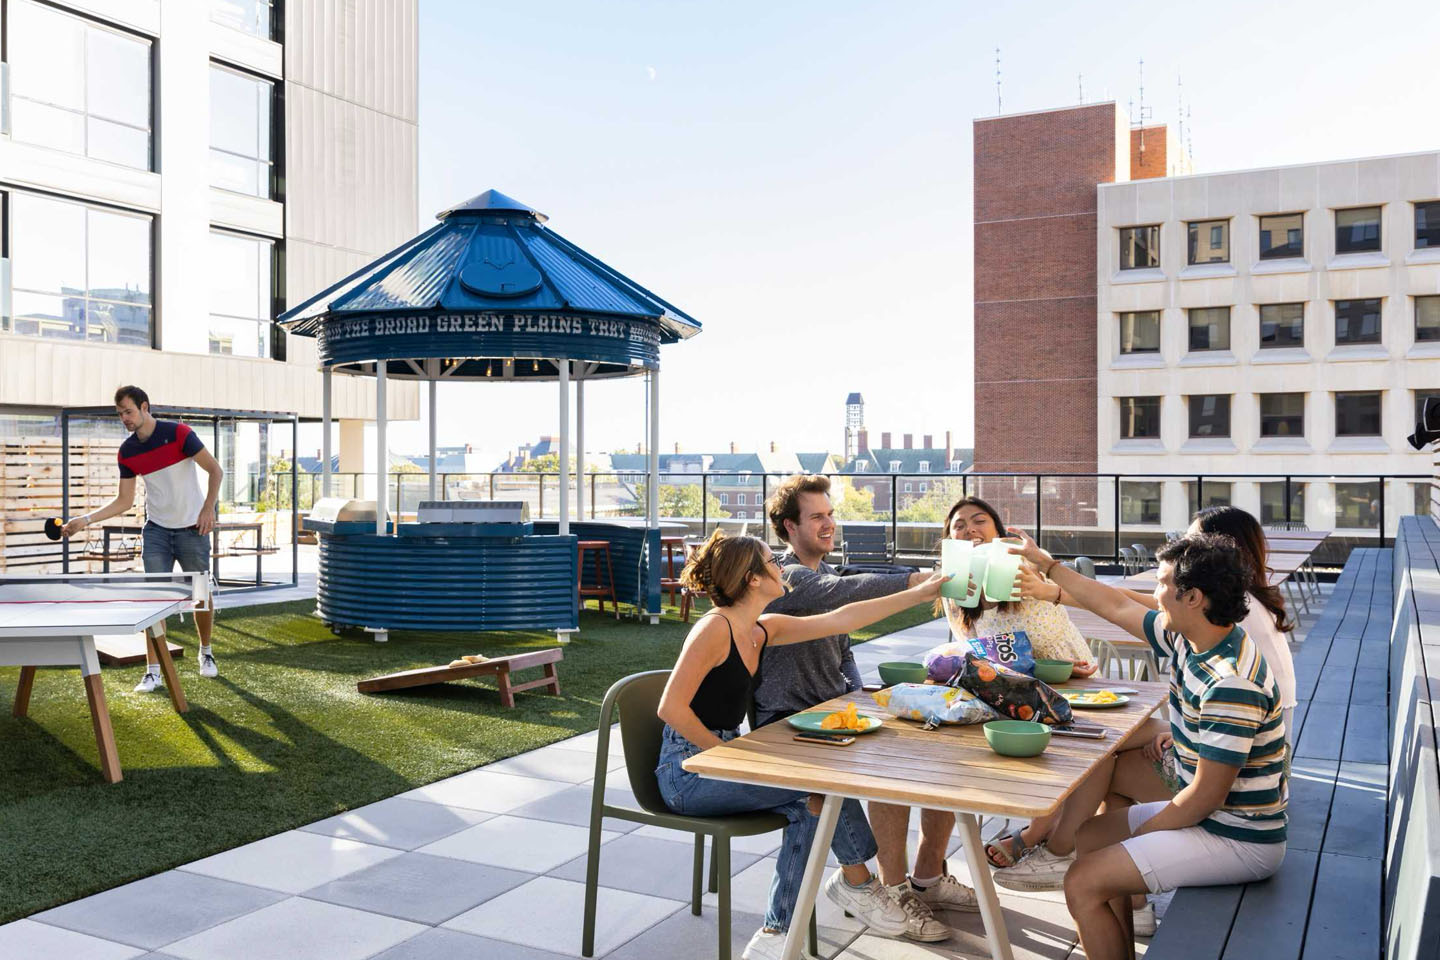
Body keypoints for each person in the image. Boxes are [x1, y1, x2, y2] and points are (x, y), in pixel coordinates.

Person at [655, 530, 946, 960]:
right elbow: (670, 708)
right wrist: (730, 755)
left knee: (811, 801)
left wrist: (920, 593)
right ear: (752, 579)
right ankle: (856, 885)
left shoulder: (760, 629)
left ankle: (779, 935)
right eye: (772, 561)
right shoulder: (713, 629)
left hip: (720, 758)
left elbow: (842, 619)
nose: (781, 567)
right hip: (688, 772)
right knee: (817, 787)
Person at [1008, 528, 1288, 960]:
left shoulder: (1230, 682)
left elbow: (1205, 797)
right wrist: (1048, 565)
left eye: (1161, 583)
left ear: (1193, 597)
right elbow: (1115, 604)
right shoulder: (1193, 637)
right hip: (1213, 815)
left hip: (1239, 837)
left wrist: (1142, 837)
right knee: (1091, 834)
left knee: (1081, 880)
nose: (1154, 594)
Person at [756, 475, 975, 942]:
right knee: (849, 783)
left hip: (828, 715)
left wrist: (859, 695)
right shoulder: (788, 576)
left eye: (830, 513)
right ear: (788, 527)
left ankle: (919, 878)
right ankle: (870, 885)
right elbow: (848, 595)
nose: (829, 523)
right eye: (817, 516)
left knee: (920, 757)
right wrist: (920, 582)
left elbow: (843, 650)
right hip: (785, 724)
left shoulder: (821, 574)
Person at [62, 386, 224, 691]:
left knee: (201, 594)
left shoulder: (179, 434)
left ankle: (206, 653)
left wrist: (207, 510)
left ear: (144, 407)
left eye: (129, 411)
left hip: (193, 528)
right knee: (155, 600)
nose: (124, 418)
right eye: (120, 413)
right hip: (157, 531)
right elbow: (124, 501)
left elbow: (215, 470)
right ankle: (153, 671)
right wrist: (85, 520)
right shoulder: (127, 451)